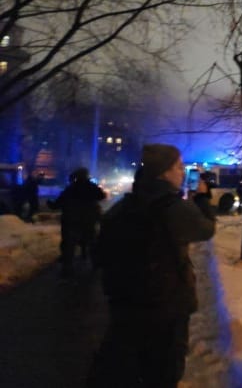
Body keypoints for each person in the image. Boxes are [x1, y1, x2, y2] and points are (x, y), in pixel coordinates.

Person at [88, 143, 216, 388]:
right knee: (162, 372)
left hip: (125, 305)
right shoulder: (173, 207)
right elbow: (206, 229)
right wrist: (202, 198)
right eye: (178, 167)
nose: (182, 172)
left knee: (125, 369)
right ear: (164, 172)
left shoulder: (122, 208)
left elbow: (100, 254)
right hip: (166, 306)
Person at [50, 167, 105, 277]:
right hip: (88, 220)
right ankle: (95, 263)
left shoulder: (71, 189)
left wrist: (51, 204)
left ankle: (67, 266)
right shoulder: (92, 187)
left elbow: (58, 203)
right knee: (92, 241)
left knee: (68, 244)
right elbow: (101, 196)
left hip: (72, 220)